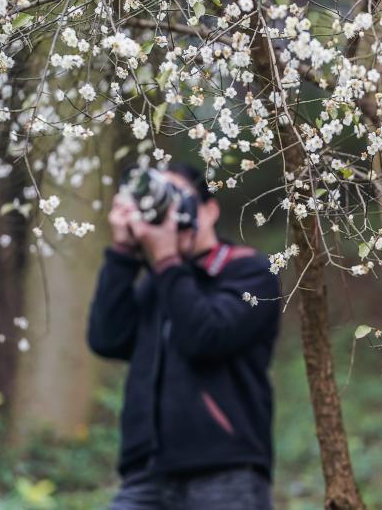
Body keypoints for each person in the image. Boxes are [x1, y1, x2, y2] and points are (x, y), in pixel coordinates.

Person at [87, 162, 280, 510]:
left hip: (225, 471)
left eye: (178, 197)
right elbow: (107, 339)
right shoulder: (162, 281)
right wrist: (123, 254)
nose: (170, 210)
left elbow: (206, 337)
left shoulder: (248, 271)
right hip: (146, 474)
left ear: (209, 209)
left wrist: (166, 261)